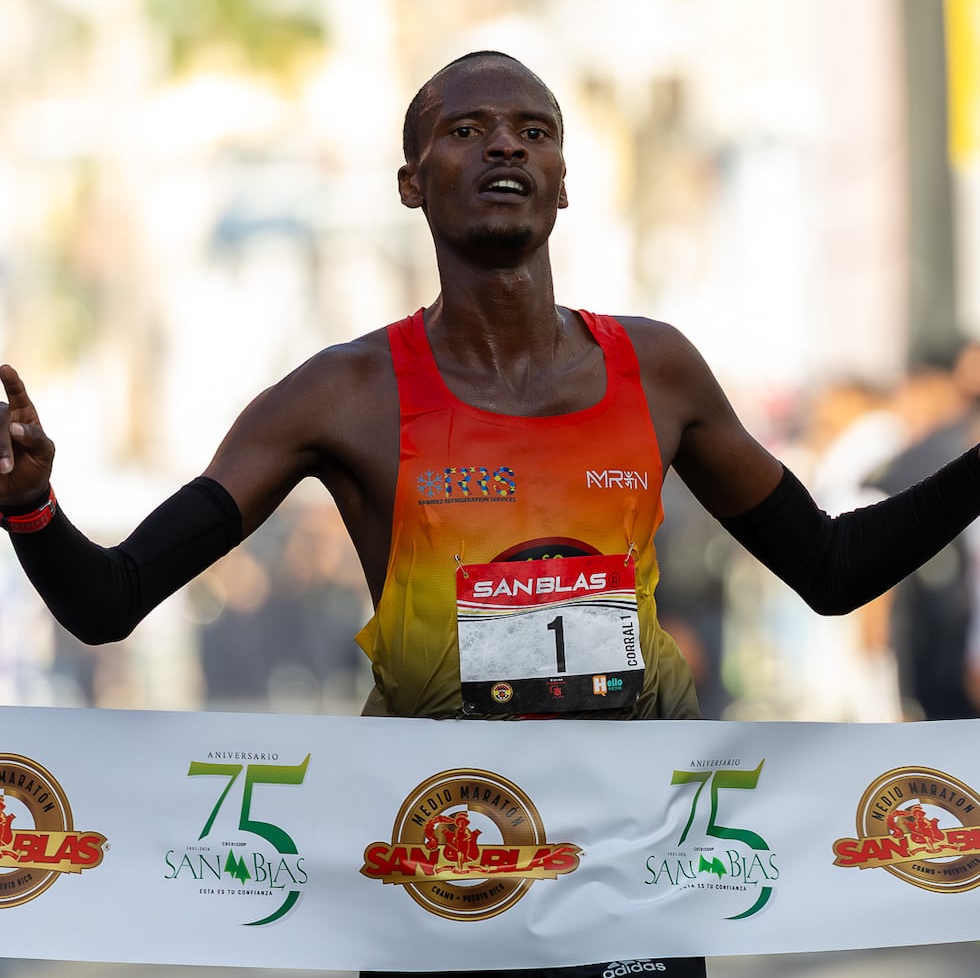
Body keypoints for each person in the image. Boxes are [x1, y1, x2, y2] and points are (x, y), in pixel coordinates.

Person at [2, 50, 980, 977]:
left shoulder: (658, 370)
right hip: (442, 878)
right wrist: (30, 505)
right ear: (411, 183)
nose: (506, 144)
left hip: (631, 872)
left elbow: (830, 568)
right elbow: (110, 601)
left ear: (562, 182)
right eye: (466, 130)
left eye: (533, 130)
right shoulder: (341, 396)